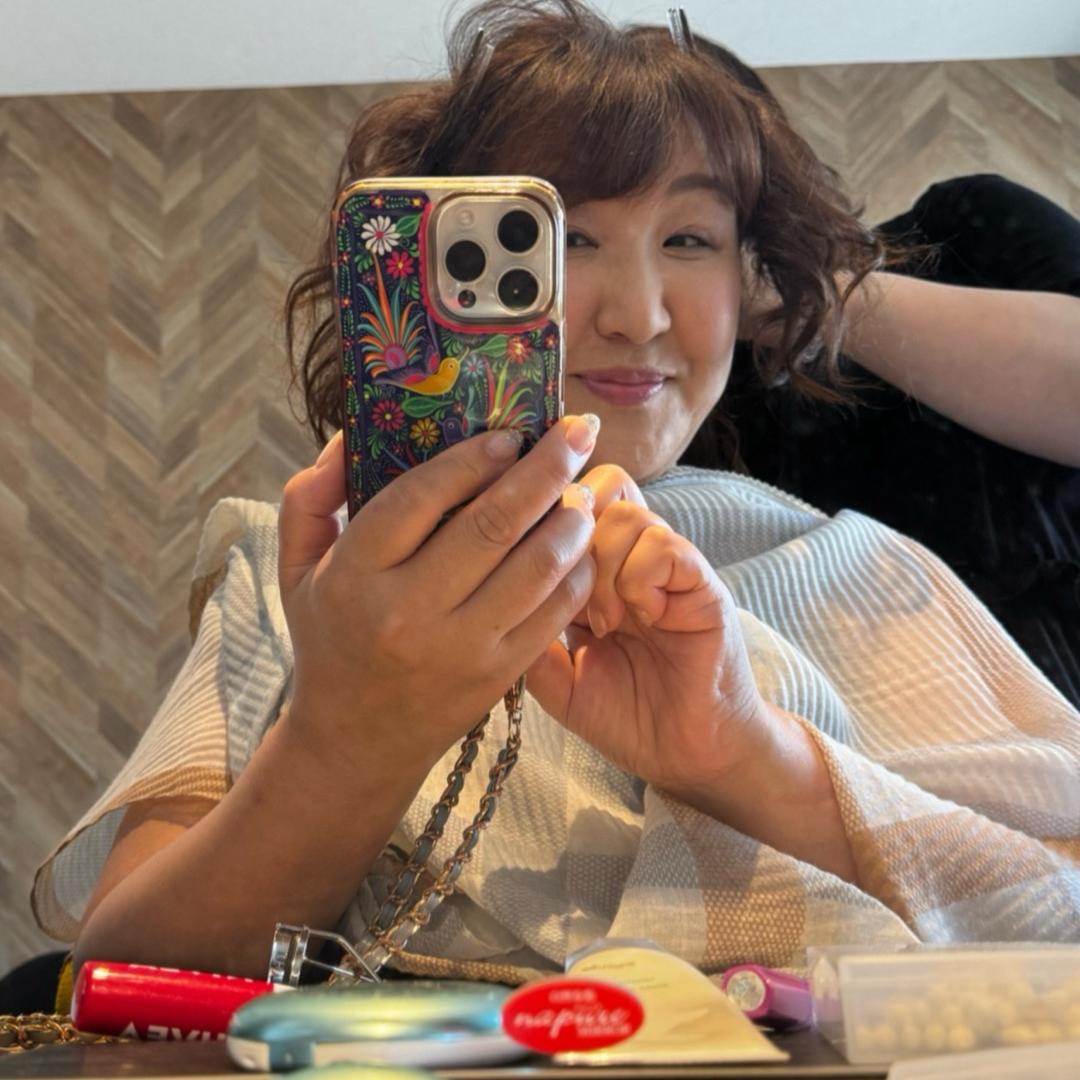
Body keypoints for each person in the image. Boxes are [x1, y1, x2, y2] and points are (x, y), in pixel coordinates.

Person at [33, 0, 1080, 987]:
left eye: (690, 240)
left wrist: (745, 757)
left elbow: (1059, 912)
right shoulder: (297, 576)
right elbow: (122, 986)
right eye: (564, 240)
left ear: (753, 285)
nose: (638, 315)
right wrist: (350, 736)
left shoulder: (865, 573)